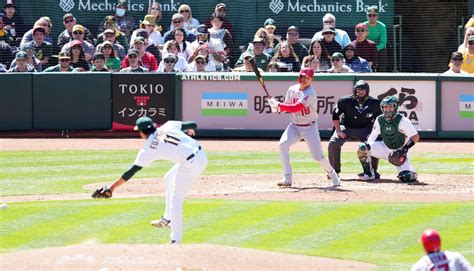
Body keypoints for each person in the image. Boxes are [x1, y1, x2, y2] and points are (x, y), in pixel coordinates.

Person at [92, 117, 208, 245]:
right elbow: (193, 124)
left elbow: (132, 171)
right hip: (200, 155)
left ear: (142, 133)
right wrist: (190, 128)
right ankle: (167, 218)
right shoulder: (167, 126)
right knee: (168, 177)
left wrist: (112, 187)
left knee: (176, 201)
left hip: (191, 164)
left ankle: (175, 240)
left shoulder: (149, 149)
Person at [267, 68, 341, 188]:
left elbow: (296, 108)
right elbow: (287, 107)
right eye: (303, 77)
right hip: (294, 126)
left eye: (308, 78)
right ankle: (287, 178)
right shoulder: (292, 89)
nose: (305, 79)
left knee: (317, 157)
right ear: (299, 77)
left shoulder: (310, 93)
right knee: (282, 145)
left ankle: (333, 175)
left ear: (311, 80)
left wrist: (278, 104)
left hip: (310, 127)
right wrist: (276, 107)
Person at [357, 96, 420, 183]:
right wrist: (367, 148)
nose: (388, 109)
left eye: (390, 106)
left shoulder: (403, 121)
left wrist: (404, 149)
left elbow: (415, 137)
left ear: (395, 107)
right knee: (362, 147)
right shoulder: (379, 119)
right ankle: (369, 174)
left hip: (399, 152)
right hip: (384, 148)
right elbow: (373, 136)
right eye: (385, 107)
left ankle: (412, 172)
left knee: (406, 177)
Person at [328, 80, 381, 180]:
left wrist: (373, 134)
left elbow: (378, 120)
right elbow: (335, 115)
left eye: (362, 91)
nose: (360, 93)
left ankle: (373, 170)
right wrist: (338, 130)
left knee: (374, 143)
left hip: (365, 127)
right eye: (357, 91)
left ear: (367, 91)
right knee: (333, 143)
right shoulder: (345, 101)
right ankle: (334, 171)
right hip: (346, 126)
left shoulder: (375, 103)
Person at [365, 6, 387, 72]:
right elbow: (362, 40)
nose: (372, 17)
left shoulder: (382, 26)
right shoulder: (363, 25)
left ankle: (382, 74)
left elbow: (383, 43)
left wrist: (374, 49)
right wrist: (369, 49)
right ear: (367, 16)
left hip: (379, 49)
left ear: (377, 16)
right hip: (367, 49)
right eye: (369, 15)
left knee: (384, 50)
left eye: (374, 15)